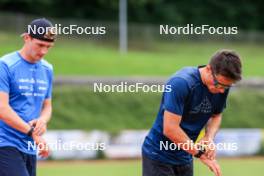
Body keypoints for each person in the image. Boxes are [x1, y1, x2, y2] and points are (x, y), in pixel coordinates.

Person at [142, 49, 242, 176]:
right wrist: (200, 154)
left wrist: (208, 137)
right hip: (158, 155)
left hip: (185, 155)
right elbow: (170, 129)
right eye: (219, 85)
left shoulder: (221, 86)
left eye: (226, 87)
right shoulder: (181, 83)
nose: (222, 91)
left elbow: (216, 115)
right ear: (208, 69)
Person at [0, 18, 56, 176]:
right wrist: (32, 132)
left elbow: (47, 105)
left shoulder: (47, 69)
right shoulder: (5, 65)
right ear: (27, 38)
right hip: (4, 143)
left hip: (29, 146)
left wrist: (42, 121)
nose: (44, 51)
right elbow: (2, 109)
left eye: (48, 47)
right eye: (40, 45)